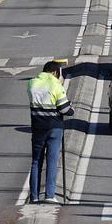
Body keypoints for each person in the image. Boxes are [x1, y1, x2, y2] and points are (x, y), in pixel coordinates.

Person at [28, 60, 74, 204]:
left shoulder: (32, 83)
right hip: (54, 128)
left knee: (36, 162)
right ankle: (49, 195)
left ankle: (34, 196)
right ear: (55, 72)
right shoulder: (56, 85)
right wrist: (71, 109)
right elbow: (65, 109)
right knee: (52, 161)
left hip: (37, 127)